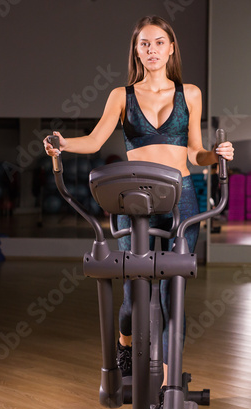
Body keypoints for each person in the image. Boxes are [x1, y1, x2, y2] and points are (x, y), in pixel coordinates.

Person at [44, 15, 234, 385]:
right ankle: (124, 343)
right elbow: (96, 141)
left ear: (171, 47)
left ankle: (168, 385)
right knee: (133, 295)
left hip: (180, 199)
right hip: (134, 200)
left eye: (159, 42)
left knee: (170, 292)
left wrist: (218, 154)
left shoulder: (189, 93)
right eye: (144, 43)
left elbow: (196, 154)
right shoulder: (122, 96)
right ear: (136, 50)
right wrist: (63, 143)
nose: (152, 50)